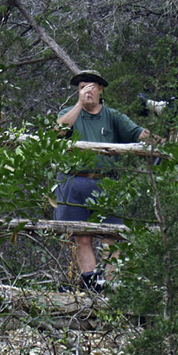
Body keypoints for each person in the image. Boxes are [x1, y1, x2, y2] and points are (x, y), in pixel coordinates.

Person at [55, 70, 161, 292]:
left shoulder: (112, 116)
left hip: (105, 184)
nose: (87, 91)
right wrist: (78, 104)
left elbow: (138, 133)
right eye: (82, 87)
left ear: (101, 89)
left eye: (91, 86)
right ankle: (91, 284)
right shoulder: (70, 113)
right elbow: (57, 131)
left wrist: (163, 142)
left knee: (110, 236)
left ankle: (112, 286)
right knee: (81, 236)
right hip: (74, 182)